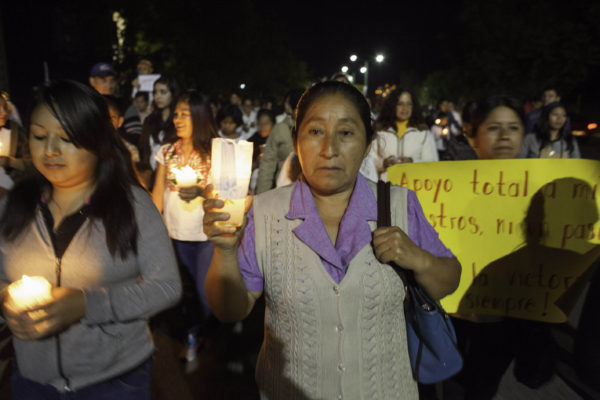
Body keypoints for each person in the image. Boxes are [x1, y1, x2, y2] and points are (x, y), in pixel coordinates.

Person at [203, 81, 461, 399]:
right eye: (315, 132)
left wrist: (417, 258)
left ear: (368, 145)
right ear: (296, 141)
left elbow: (449, 280)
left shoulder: (399, 204)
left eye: (346, 133)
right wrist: (225, 251)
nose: (329, 149)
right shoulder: (265, 212)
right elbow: (231, 310)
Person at [0, 79, 181, 398]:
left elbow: (166, 286)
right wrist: (6, 300)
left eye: (67, 138)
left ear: (97, 142)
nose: (51, 150)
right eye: (40, 136)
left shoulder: (132, 205)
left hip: (115, 379)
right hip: (32, 380)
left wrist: (87, 304)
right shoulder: (11, 207)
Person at [151, 90, 216, 352]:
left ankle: (208, 330)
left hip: (205, 236)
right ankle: (190, 333)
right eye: (176, 114)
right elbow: (158, 192)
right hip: (174, 235)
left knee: (205, 294)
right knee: (180, 292)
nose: (177, 119)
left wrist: (202, 191)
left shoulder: (214, 151)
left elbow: (225, 193)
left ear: (199, 116)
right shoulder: (166, 151)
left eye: (184, 114)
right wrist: (155, 229)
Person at [364, 88, 438, 181]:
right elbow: (367, 162)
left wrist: (412, 161)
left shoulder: (423, 132)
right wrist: (384, 163)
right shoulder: (379, 130)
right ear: (393, 106)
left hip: (414, 190)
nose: (405, 108)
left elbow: (432, 164)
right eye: (400, 104)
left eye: (409, 104)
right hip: (384, 190)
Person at [255, 88, 305, 194]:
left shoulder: (317, 129)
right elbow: (267, 164)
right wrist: (261, 196)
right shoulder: (281, 129)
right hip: (285, 191)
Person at [138, 76, 180, 187]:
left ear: (173, 94)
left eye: (163, 92)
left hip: (173, 179)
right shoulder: (149, 121)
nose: (158, 96)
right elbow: (145, 151)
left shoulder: (179, 122)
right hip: (151, 179)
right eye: (155, 92)